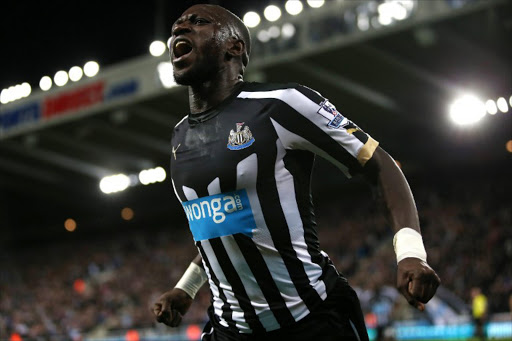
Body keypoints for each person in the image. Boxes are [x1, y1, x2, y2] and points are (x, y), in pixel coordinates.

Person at [153, 4, 440, 341]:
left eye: (199, 22)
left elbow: (379, 164)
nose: (180, 29)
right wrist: (187, 287)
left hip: (313, 322)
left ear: (235, 46)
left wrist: (410, 252)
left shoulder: (282, 104)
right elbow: (220, 223)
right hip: (231, 331)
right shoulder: (179, 136)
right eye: (177, 25)